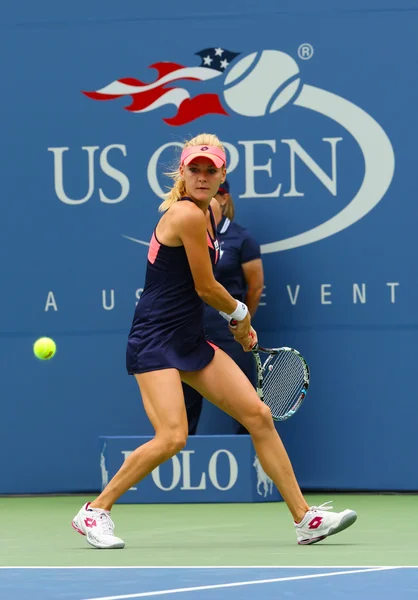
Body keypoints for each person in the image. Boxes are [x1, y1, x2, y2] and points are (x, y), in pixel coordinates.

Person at [71, 133, 357, 549]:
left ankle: (305, 518)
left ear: (222, 175)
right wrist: (240, 316)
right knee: (172, 436)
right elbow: (206, 287)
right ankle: (94, 512)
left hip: (189, 335)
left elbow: (203, 290)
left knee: (258, 415)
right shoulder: (186, 214)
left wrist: (239, 322)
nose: (202, 177)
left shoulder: (209, 214)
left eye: (210, 170)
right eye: (194, 169)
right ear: (181, 174)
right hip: (154, 338)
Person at [183, 179, 264, 435]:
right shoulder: (186, 231)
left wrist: (241, 322)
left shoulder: (242, 238)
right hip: (189, 333)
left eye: (215, 193)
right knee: (183, 416)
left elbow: (255, 287)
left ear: (224, 198)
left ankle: (253, 472)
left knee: (248, 414)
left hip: (229, 338)